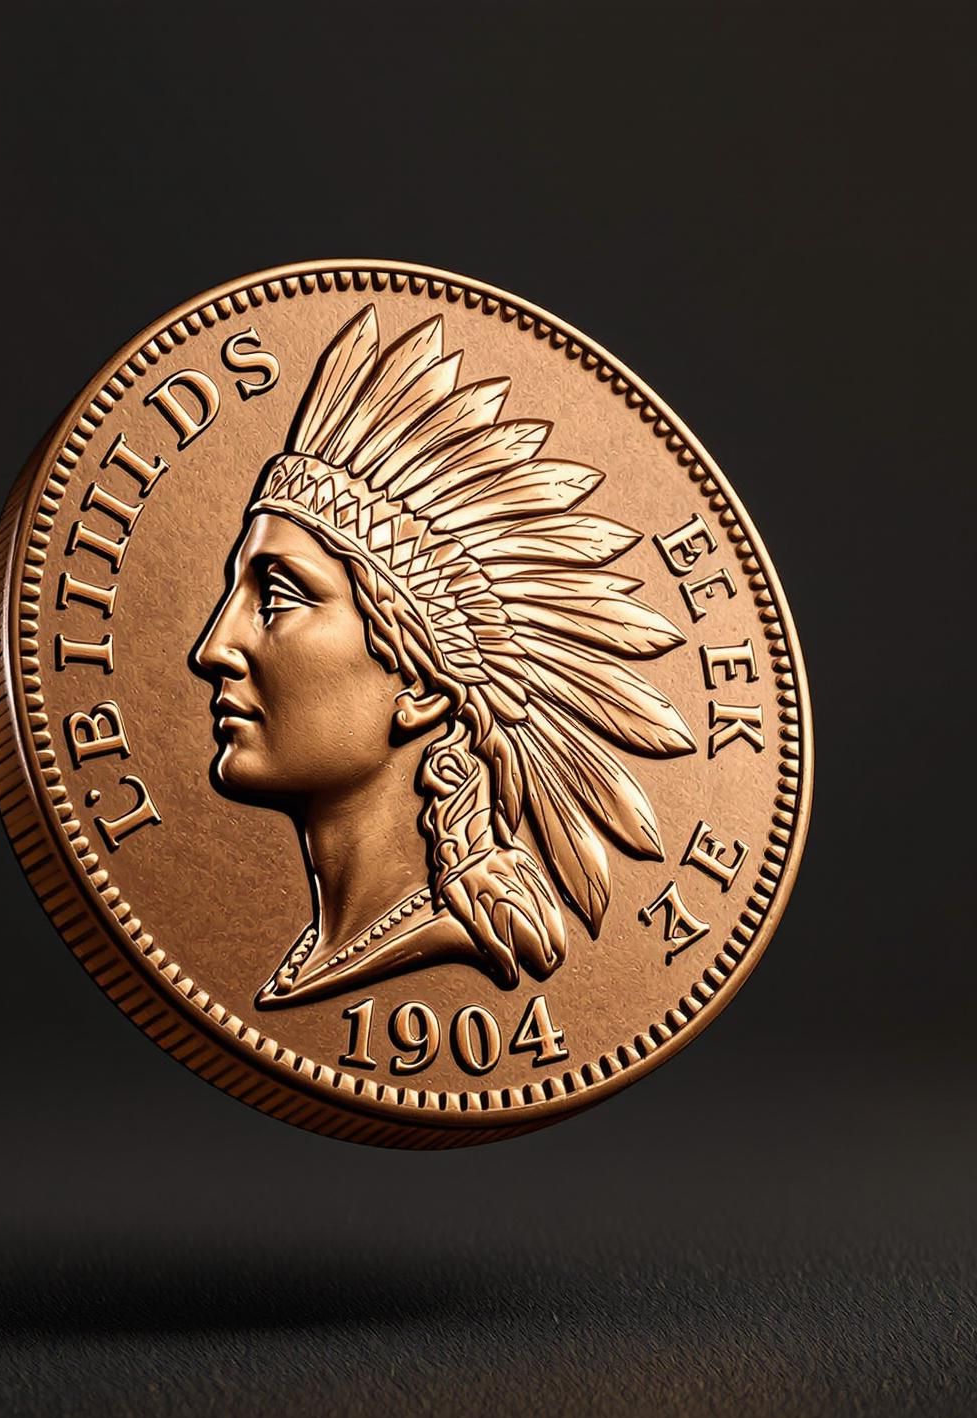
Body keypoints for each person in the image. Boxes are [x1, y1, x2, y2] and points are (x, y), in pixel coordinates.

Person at [188, 305, 698, 1008]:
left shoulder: (444, 940)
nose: (211, 649)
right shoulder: (318, 952)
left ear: (423, 689)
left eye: (277, 599)